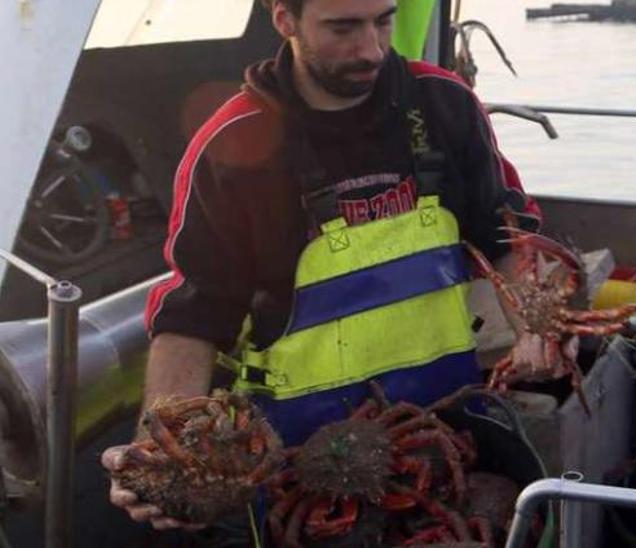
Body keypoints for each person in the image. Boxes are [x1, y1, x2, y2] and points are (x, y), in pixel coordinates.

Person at [102, 0, 546, 531]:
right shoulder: (233, 144)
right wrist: (164, 452)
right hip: (292, 454)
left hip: (441, 423)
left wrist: (536, 327)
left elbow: (509, 235)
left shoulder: (444, 104)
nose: (372, 48)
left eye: (383, 20)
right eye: (343, 27)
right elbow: (193, 317)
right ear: (285, 20)